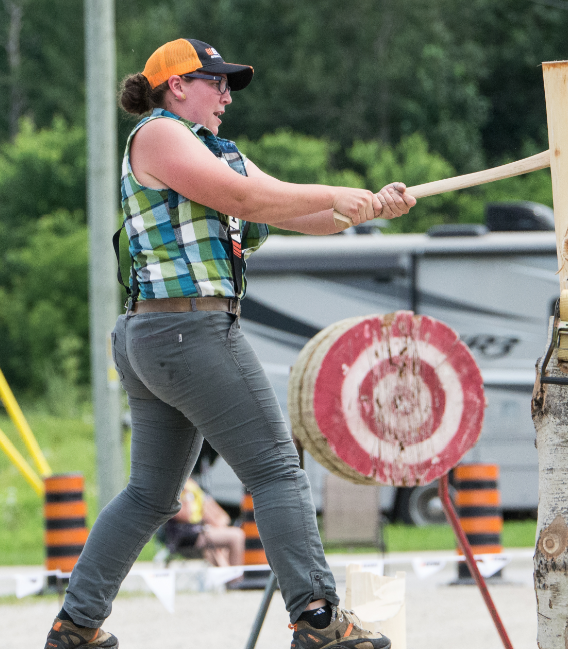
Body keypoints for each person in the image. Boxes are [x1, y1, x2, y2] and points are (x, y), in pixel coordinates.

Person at [43, 38, 415, 649]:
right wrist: (333, 196)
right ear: (175, 87)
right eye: (213, 82)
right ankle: (318, 618)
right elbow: (243, 200)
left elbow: (295, 213)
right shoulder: (158, 134)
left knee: (152, 495)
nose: (225, 94)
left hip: (161, 332)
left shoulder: (219, 152)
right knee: (274, 470)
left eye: (228, 85)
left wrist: (369, 206)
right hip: (188, 329)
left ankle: (77, 625)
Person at [161, 478, 245, 568]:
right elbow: (187, 515)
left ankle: (230, 576)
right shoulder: (173, 490)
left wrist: (216, 524)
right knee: (236, 536)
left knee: (223, 541)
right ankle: (235, 578)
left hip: (201, 532)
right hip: (183, 535)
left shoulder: (193, 486)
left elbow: (223, 518)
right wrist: (188, 494)